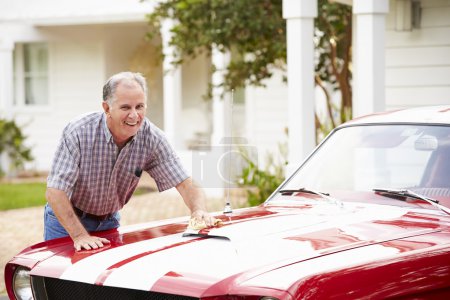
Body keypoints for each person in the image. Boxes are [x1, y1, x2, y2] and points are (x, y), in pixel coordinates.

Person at [45, 71, 216, 251]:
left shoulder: (152, 138)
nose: (134, 116)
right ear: (107, 108)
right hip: (65, 222)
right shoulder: (78, 132)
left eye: (140, 106)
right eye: (126, 108)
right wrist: (79, 236)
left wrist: (199, 211)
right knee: (61, 277)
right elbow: (55, 192)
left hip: (108, 221)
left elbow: (185, 182)